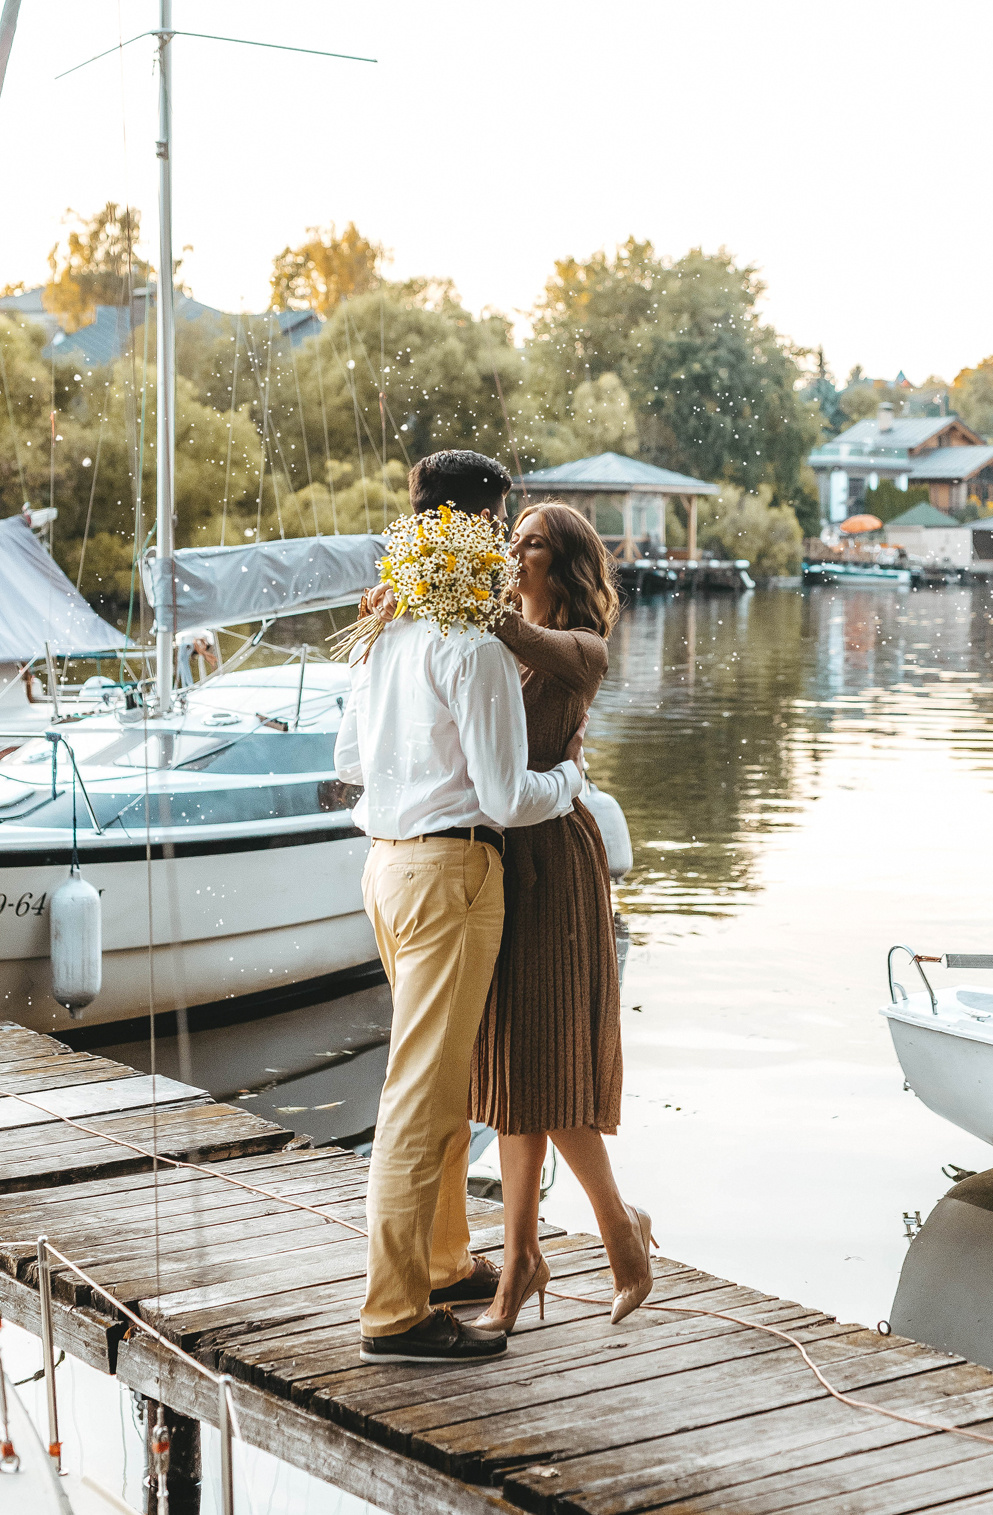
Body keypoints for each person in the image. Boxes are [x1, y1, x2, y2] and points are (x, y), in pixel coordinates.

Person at [333, 451, 584, 1367]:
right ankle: (394, 1312)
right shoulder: (469, 644)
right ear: (476, 526)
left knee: (428, 1080)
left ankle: (442, 1261)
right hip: (452, 877)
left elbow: (353, 762)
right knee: (421, 1093)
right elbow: (510, 795)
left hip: (388, 870)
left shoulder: (385, 633)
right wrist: (570, 783)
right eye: (501, 525)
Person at [470, 501, 656, 1333]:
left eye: (531, 544)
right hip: (503, 861)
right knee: (515, 1074)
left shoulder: (580, 651)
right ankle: (526, 1258)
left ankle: (607, 1236)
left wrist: (460, 592)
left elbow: (518, 635)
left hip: (557, 866)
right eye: (511, 542)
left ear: (569, 564)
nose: (516, 555)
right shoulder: (497, 655)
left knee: (546, 1064)